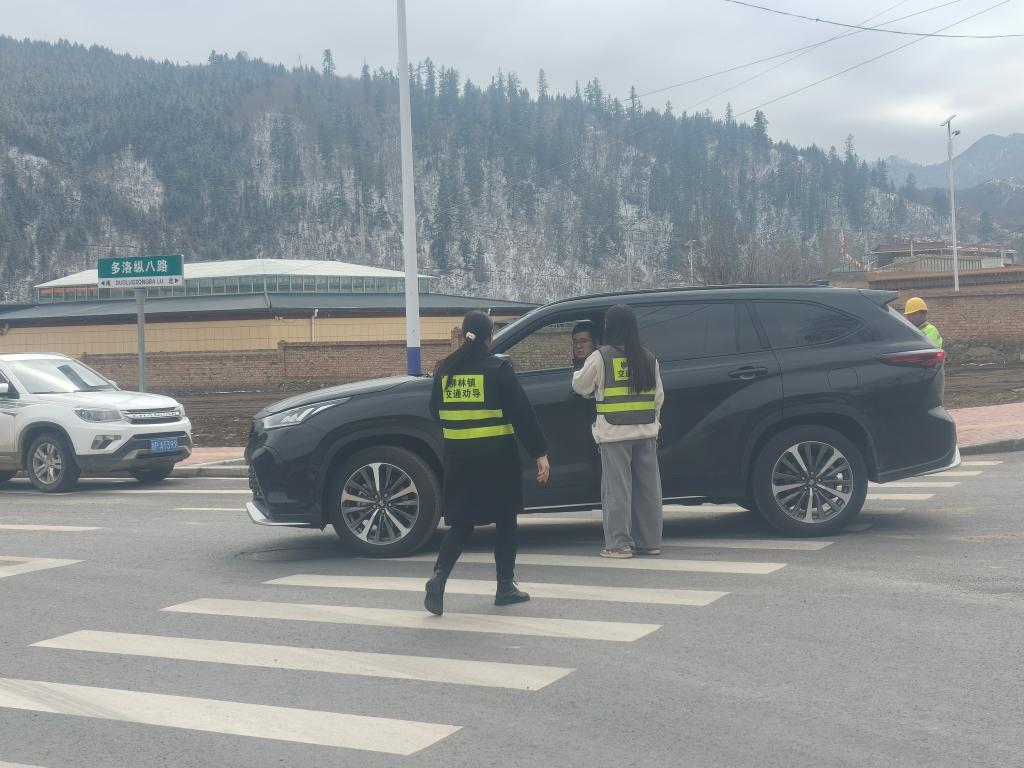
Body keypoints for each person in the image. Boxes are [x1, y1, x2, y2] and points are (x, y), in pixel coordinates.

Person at [425, 310, 550, 615]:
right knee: (505, 520)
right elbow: (522, 414)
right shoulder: (498, 369)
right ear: (489, 337)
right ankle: (505, 587)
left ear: (463, 334)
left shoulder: (445, 371)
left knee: (462, 523)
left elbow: (435, 411)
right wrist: (539, 453)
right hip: (497, 460)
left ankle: (439, 578)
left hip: (459, 460)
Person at [572, 304, 664, 558]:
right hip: (646, 432)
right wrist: (653, 424)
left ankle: (619, 544)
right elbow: (658, 397)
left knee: (617, 490)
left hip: (614, 434)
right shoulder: (648, 357)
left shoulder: (601, 357)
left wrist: (578, 371)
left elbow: (581, 385)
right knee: (648, 491)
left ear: (609, 327)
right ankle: (650, 542)